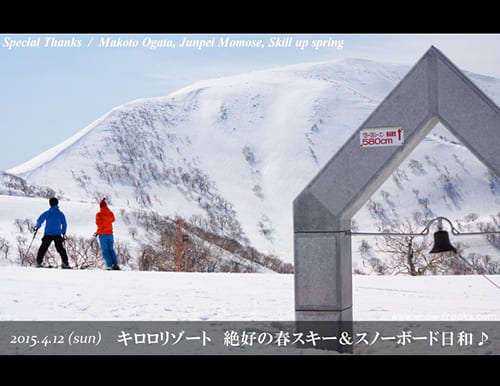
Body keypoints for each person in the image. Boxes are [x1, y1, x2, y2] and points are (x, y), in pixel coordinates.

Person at [34, 197, 71, 269]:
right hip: (57, 233)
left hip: (48, 233)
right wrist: (63, 232)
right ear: (57, 204)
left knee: (43, 248)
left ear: (50, 204)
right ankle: (65, 263)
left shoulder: (47, 213)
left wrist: (37, 227)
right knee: (60, 249)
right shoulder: (60, 214)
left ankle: (38, 262)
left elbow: (40, 220)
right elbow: (64, 224)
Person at [95, 199, 120, 270]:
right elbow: (113, 220)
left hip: (103, 234)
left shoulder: (99, 214)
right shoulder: (110, 213)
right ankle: (115, 265)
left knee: (105, 250)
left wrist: (98, 232)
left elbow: (99, 225)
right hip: (110, 234)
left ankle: (109, 266)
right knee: (111, 250)